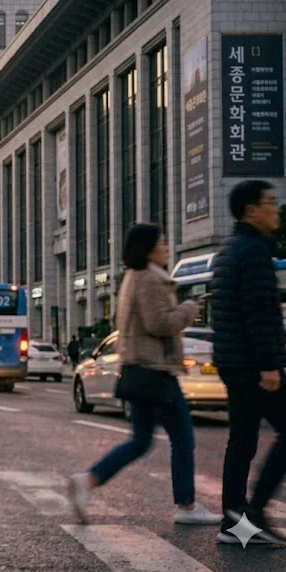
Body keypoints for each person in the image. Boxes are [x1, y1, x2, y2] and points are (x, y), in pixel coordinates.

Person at [67, 223, 220, 526]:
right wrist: (189, 309)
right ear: (149, 248)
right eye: (162, 242)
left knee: (141, 440)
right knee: (183, 437)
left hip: (140, 369)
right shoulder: (150, 278)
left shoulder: (133, 277)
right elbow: (159, 323)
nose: (166, 247)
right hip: (156, 371)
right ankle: (186, 505)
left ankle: (88, 481)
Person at [211, 180, 286, 545]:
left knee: (242, 439)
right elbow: (259, 314)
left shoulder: (231, 248)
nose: (277, 208)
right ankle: (252, 514)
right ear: (251, 210)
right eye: (271, 202)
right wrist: (269, 365)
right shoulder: (253, 250)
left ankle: (234, 523)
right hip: (252, 363)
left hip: (233, 361)